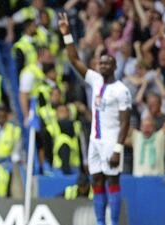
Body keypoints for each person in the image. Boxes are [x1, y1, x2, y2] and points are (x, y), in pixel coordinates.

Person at [58, 13, 132, 225]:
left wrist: (118, 148)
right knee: (96, 180)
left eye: (107, 63)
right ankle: (100, 221)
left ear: (115, 67)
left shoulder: (121, 90)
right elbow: (74, 59)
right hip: (95, 140)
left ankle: (114, 222)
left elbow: (125, 120)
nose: (102, 66)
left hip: (111, 140)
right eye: (101, 63)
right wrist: (67, 35)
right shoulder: (96, 80)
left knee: (112, 180)